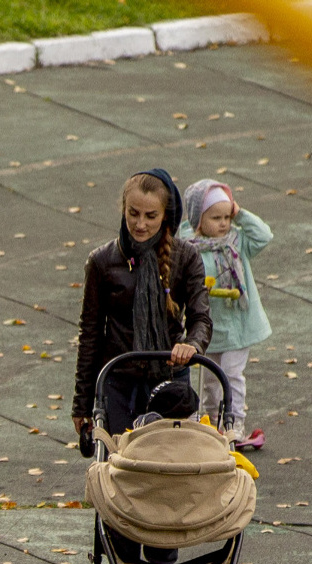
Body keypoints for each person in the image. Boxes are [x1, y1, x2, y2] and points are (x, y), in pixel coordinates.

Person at [73, 168, 210, 457]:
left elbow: (201, 317)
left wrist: (191, 345)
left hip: (169, 374)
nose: (140, 224)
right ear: (123, 209)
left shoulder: (185, 258)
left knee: (170, 459)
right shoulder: (102, 261)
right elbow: (91, 333)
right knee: (120, 461)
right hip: (118, 377)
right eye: (133, 213)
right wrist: (82, 403)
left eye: (151, 216)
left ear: (165, 216)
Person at [181, 177, 273, 450]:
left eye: (226, 216)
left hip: (238, 326)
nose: (223, 223)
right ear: (198, 219)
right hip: (209, 328)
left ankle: (234, 424)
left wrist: (239, 213)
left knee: (232, 375)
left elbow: (264, 236)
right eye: (215, 217)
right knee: (210, 379)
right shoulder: (190, 247)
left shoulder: (237, 241)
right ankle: (211, 423)